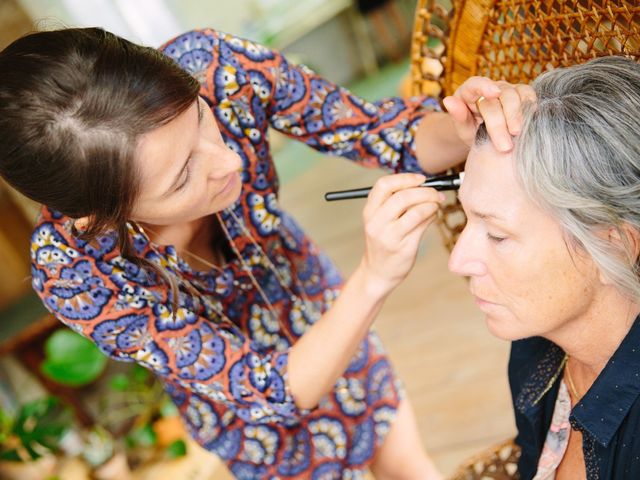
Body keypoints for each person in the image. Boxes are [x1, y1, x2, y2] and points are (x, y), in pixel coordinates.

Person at [0, 26, 527, 479]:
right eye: (183, 176)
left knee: (413, 468)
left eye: (202, 117)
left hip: (313, 302)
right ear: (98, 216)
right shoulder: (75, 273)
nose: (227, 160)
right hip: (250, 419)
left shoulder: (218, 68)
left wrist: (462, 128)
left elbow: (383, 133)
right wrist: (375, 276)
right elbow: (273, 391)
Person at [449, 56, 640, 479]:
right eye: (467, 219)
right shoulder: (538, 351)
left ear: (616, 246)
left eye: (497, 235)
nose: (457, 260)